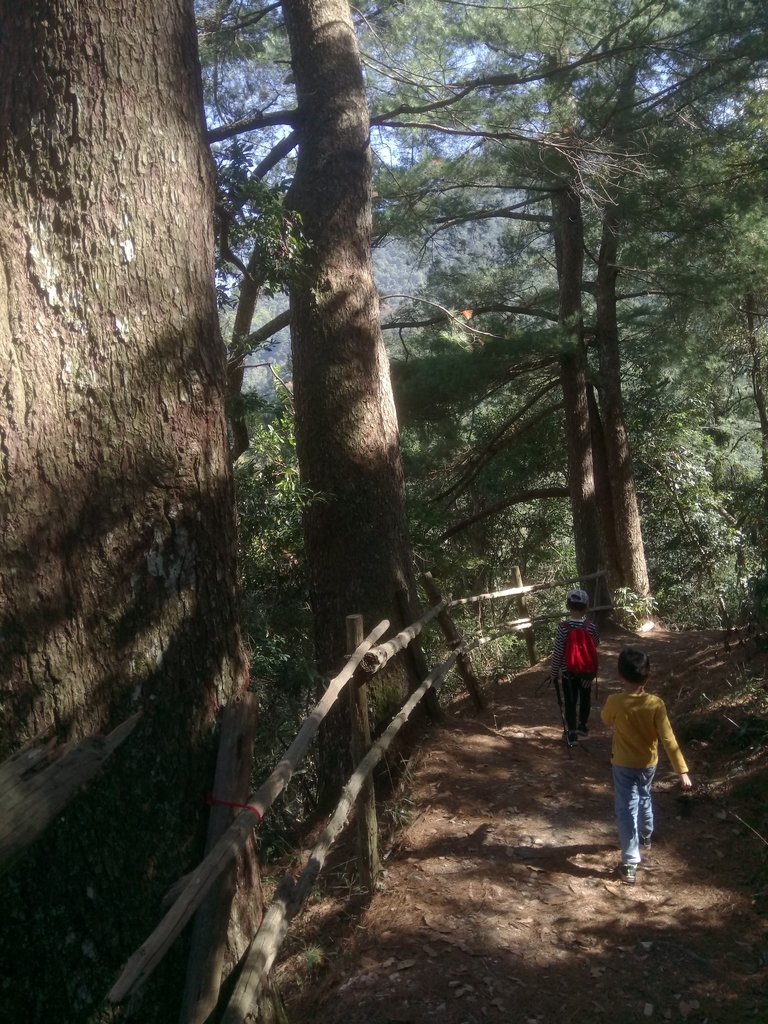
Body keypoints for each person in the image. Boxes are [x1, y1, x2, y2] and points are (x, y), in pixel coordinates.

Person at [601, 647, 692, 885]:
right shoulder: (656, 704)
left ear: (620, 676)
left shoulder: (615, 702)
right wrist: (682, 771)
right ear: (648, 677)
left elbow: (605, 719)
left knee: (625, 810)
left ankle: (630, 862)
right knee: (644, 796)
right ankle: (646, 834)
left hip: (622, 764)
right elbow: (669, 739)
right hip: (648, 764)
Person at [549, 587, 599, 743]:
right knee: (585, 698)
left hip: (568, 672)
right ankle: (582, 726)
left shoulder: (563, 628)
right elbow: (596, 643)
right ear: (586, 607)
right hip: (586, 672)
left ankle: (571, 734)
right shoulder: (591, 627)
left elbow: (558, 652)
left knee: (570, 701)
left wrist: (553, 671)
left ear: (568, 606)